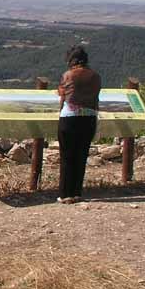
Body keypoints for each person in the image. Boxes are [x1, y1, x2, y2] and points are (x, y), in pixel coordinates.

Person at [57, 45, 101, 203]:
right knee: (81, 155)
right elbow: (96, 99)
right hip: (89, 118)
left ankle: (65, 194)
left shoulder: (68, 75)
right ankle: (77, 192)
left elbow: (62, 95)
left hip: (69, 118)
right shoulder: (95, 76)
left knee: (67, 156)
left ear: (71, 60)